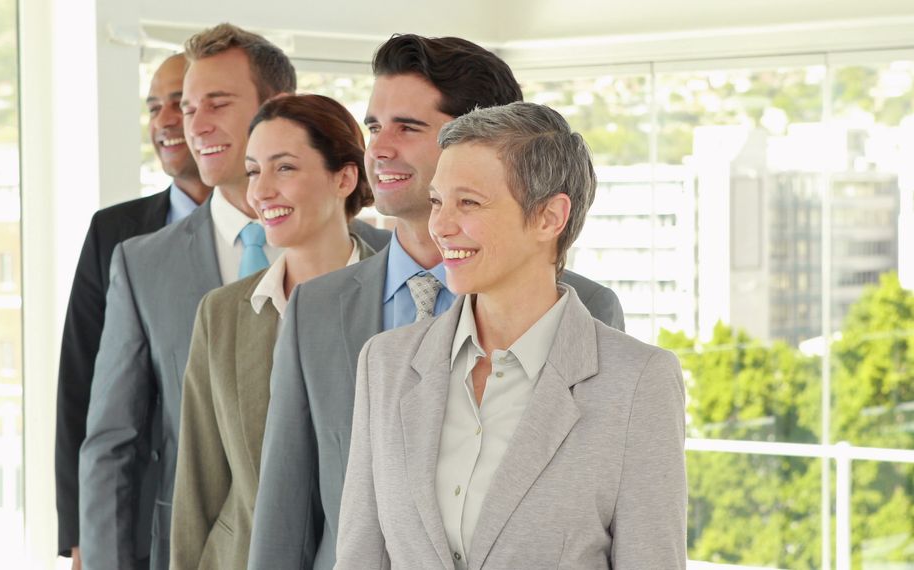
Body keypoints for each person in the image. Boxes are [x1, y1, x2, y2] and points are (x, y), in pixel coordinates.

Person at [248, 34, 623, 570]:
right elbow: (284, 516)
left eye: (408, 127)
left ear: (481, 135)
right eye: (374, 126)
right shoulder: (316, 310)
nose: (378, 148)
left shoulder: (588, 310)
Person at [336, 102, 687, 569]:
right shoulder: (386, 364)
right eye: (438, 200)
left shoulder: (638, 382)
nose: (440, 225)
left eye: (469, 203)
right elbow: (360, 556)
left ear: (549, 217)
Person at [78, 24, 296, 570]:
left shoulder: (365, 252)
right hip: (188, 549)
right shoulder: (142, 263)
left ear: (280, 108)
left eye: (216, 104)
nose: (193, 125)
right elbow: (112, 443)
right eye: (187, 107)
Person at [169, 94, 379, 570]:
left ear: (344, 177)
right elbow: (198, 483)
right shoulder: (220, 313)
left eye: (283, 168)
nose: (260, 191)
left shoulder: (397, 300)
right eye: (252, 170)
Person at [53, 53, 211, 570]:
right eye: (154, 107)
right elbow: (79, 383)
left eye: (179, 104)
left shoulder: (286, 229)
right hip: (140, 521)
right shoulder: (114, 231)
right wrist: (80, 532)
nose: (165, 120)